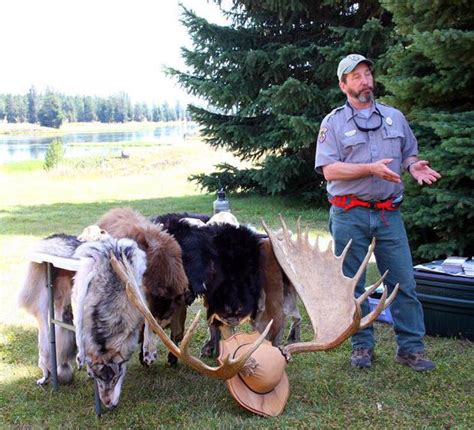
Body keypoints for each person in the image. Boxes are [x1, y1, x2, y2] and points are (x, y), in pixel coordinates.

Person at [315, 54, 441, 371]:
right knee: (354, 286)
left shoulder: (394, 118)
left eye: (368, 74)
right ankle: (361, 347)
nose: (365, 80)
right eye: (356, 76)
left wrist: (414, 165)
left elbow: (408, 155)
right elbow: (329, 170)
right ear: (343, 85)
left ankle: (410, 348)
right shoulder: (333, 123)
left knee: (403, 282)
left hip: (389, 214)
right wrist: (367, 169)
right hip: (349, 214)